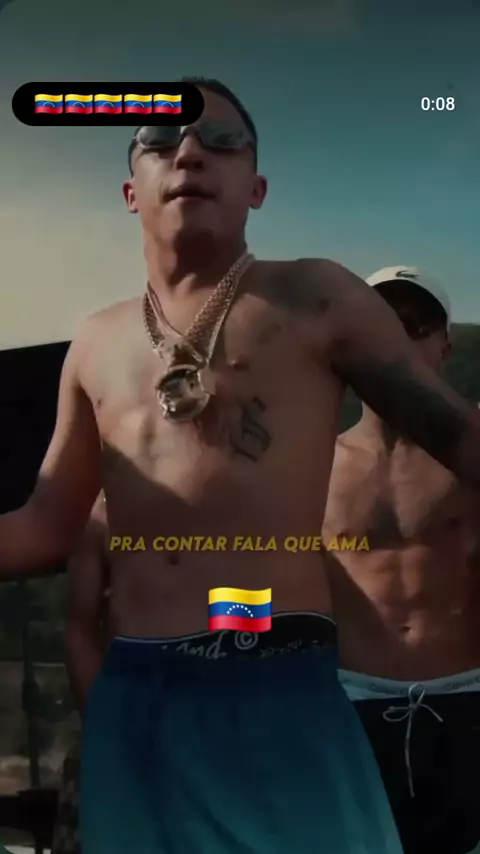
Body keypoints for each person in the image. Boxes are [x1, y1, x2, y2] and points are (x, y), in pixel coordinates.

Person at [2, 77, 480, 853]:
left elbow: (460, 437)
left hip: (274, 681)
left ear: (256, 188)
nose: (190, 151)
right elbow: (45, 527)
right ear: (131, 190)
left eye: (222, 141)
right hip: (137, 694)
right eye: (161, 141)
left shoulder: (315, 296)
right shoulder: (95, 342)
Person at [323, 266, 480, 854]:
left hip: (467, 701)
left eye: (416, 328)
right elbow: (269, 584)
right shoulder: (316, 464)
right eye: (383, 326)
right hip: (350, 703)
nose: (398, 342)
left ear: (445, 347)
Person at [52, 493, 109, 854]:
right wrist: (109, 733)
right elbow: (78, 630)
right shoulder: (105, 512)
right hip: (113, 745)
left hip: (236, 748)